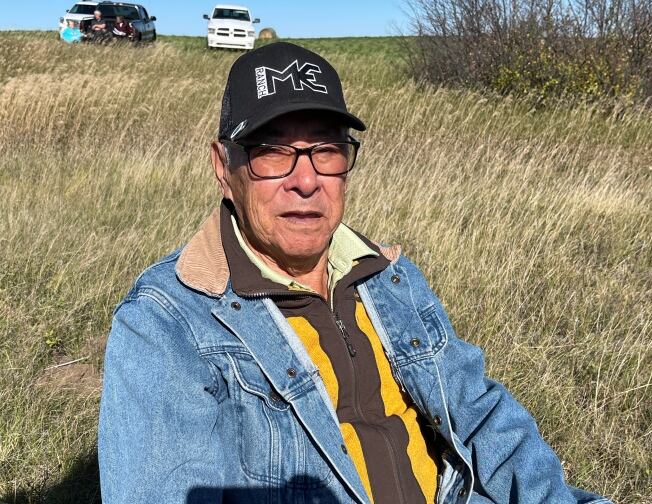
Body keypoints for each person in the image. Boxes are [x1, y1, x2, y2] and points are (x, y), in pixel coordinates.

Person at [98, 42, 612, 504]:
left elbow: (478, 414)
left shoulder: (387, 275)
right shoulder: (167, 325)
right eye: (273, 152)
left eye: (326, 151)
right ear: (222, 166)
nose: (306, 180)